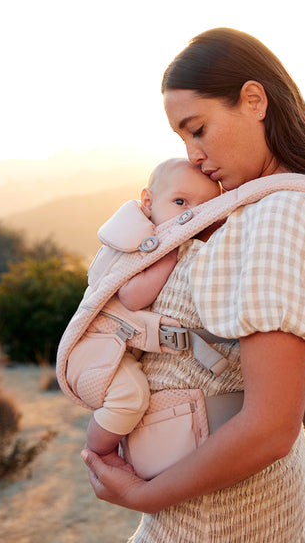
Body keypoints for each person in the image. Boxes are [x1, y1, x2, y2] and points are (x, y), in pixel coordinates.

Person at [81, 28, 305, 543]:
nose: (193, 154)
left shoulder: (283, 214)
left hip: (225, 521)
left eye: (198, 129)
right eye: (182, 139)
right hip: (199, 510)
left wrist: (141, 495)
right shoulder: (250, 210)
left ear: (254, 100)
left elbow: (268, 428)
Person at [69, 158, 221, 463]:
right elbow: (132, 296)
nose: (190, 215)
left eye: (205, 209)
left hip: (117, 349)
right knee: (130, 398)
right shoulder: (143, 242)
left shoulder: (162, 234)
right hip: (95, 349)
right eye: (180, 202)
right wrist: (169, 256)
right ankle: (99, 455)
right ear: (148, 202)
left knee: (136, 402)